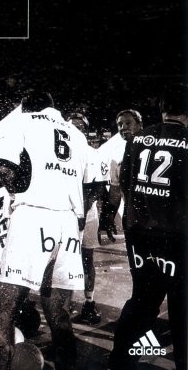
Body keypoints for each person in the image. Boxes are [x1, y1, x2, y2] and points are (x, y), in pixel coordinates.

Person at [0, 90, 91, 370]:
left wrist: (15, 191)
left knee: (5, 314)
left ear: (24, 108)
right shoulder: (77, 134)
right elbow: (91, 182)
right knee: (60, 316)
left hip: (32, 216)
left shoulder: (22, 123)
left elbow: (4, 168)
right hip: (67, 222)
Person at [108, 85, 187, 370]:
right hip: (177, 236)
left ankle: (118, 361)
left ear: (162, 109)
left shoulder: (138, 139)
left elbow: (126, 186)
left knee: (142, 300)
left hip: (140, 234)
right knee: (181, 306)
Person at [67, 112, 106, 325]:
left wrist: (81, 212)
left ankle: (89, 302)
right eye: (71, 126)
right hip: (64, 212)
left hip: (86, 213)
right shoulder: (58, 151)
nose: (75, 129)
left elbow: (98, 187)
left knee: (86, 258)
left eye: (79, 127)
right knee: (60, 260)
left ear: (85, 130)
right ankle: (61, 303)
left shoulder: (93, 153)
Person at [98, 109, 143, 243]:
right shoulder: (115, 153)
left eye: (128, 123)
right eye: (120, 124)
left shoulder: (153, 146)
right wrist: (109, 216)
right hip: (132, 216)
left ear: (140, 124)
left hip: (156, 213)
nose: (123, 127)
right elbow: (115, 191)